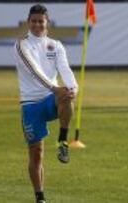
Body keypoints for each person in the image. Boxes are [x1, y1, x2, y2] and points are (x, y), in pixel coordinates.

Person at [13, 4, 78, 203]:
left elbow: (64, 68)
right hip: (31, 103)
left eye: (41, 21)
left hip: (51, 98)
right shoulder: (21, 45)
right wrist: (54, 87)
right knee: (36, 153)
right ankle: (40, 196)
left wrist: (73, 87)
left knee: (66, 95)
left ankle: (62, 140)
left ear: (47, 22)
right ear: (28, 22)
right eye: (34, 21)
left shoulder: (56, 45)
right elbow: (34, 70)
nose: (37, 25)